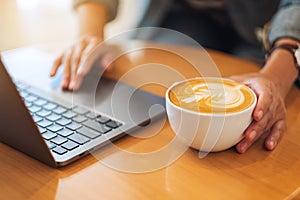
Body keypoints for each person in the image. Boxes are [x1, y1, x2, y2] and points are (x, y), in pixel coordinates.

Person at [50, 0, 300, 154]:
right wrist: (90, 33)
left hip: (274, 19)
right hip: (181, 13)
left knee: (257, 114)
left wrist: (280, 71)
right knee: (150, 98)